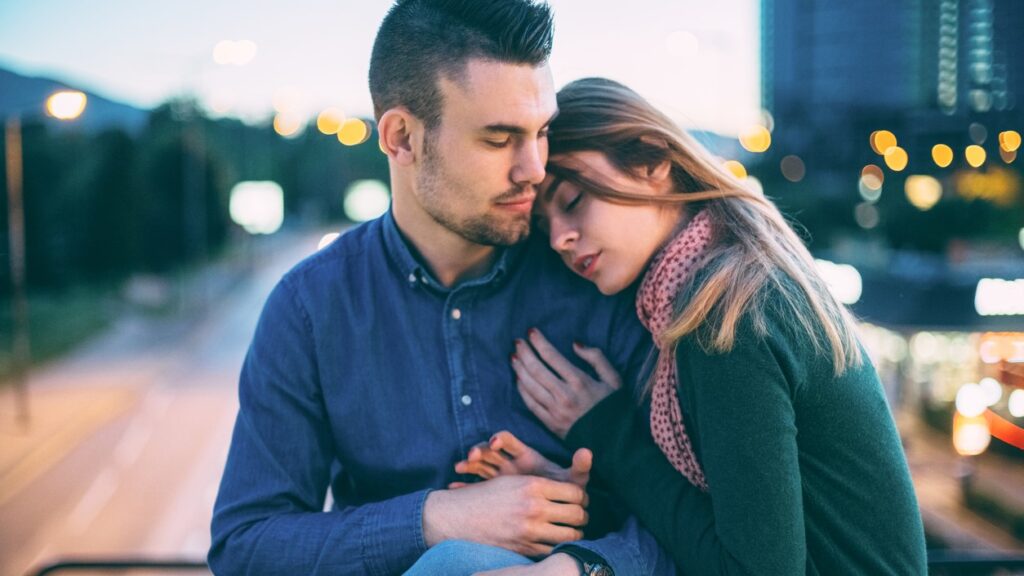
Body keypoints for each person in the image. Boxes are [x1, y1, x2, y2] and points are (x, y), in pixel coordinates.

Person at [208, 3, 675, 575]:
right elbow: (245, 547)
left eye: (542, 132)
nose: (534, 168)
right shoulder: (311, 307)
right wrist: (435, 518)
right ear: (402, 138)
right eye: (499, 139)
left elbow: (696, 520)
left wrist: (585, 560)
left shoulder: (596, 274)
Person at [456, 77, 929, 574]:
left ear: (651, 161)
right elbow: (720, 524)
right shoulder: (702, 295)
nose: (559, 238)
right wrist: (577, 499)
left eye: (573, 201)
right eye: (543, 224)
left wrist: (610, 433)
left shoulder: (728, 318)